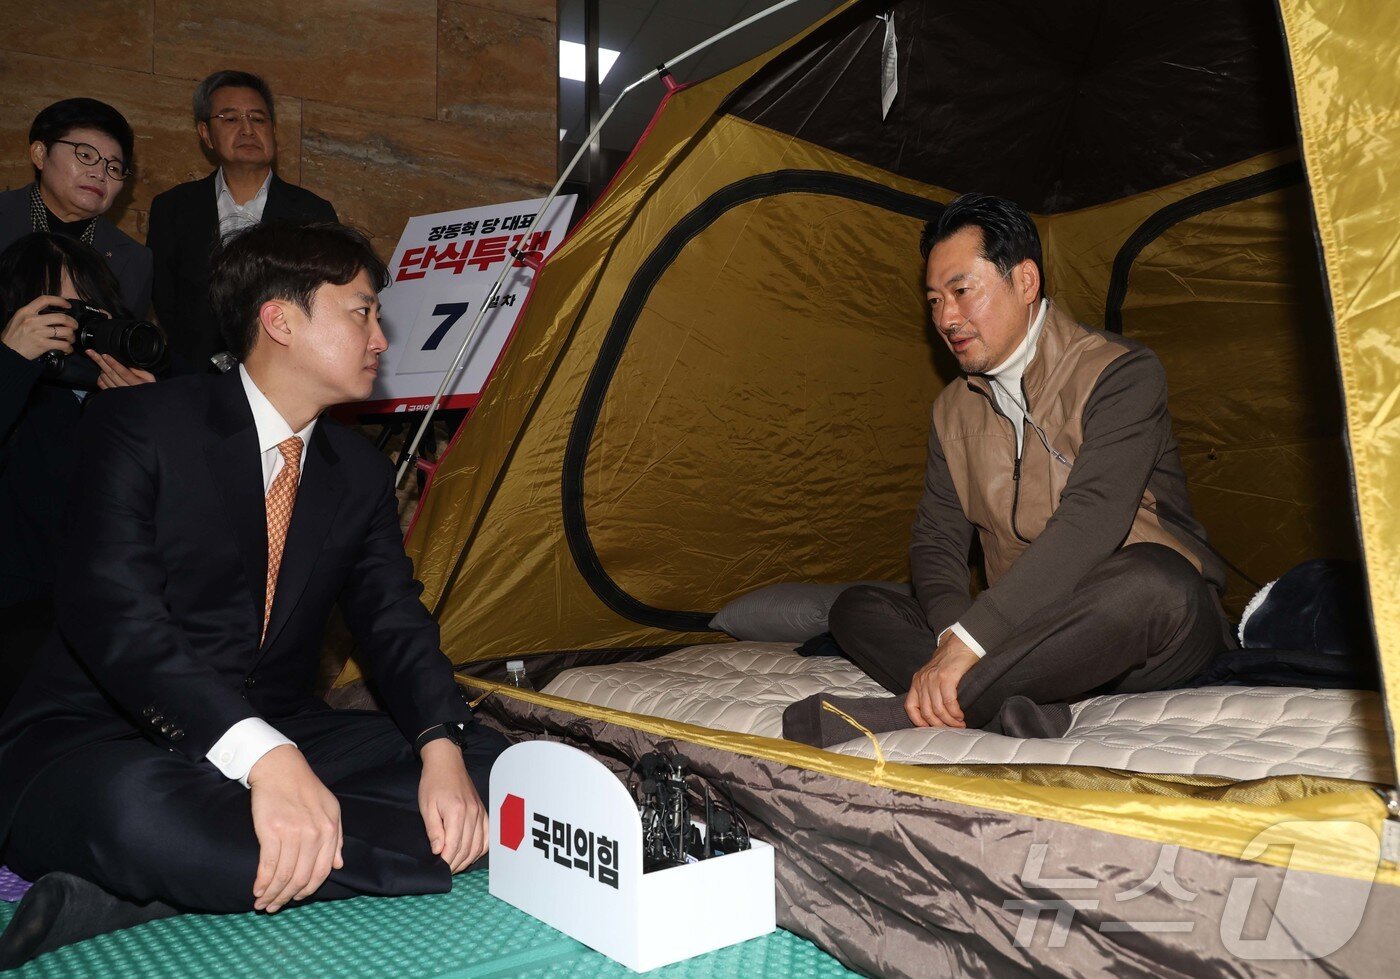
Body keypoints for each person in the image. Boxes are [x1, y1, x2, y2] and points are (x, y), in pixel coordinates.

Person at [0, 222, 505, 969]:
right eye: (362, 311)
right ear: (280, 319)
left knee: (493, 766)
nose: (381, 338)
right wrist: (265, 758)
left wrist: (438, 746)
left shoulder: (357, 474)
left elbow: (394, 619)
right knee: (143, 814)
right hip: (107, 733)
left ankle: (178, 880)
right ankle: (221, 851)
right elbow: (115, 619)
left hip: (281, 728)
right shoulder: (141, 424)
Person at [783, 194, 1231, 748]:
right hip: (1022, 634)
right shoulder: (952, 410)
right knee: (858, 606)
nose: (946, 318)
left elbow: (1093, 520)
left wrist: (972, 640)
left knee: (1156, 583)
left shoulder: (1120, 374)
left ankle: (910, 714)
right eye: (933, 300)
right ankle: (1010, 703)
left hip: (1135, 629)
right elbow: (936, 539)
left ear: (1025, 281)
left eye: (962, 291)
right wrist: (952, 634)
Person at [0, 233, 156, 714]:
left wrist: (146, 417)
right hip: (19, 617)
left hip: (112, 612)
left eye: (94, 308)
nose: (81, 324)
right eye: (63, 310)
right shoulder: (15, 385)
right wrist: (10, 362)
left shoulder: (120, 391)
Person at [147, 70, 338, 371]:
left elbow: (322, 302)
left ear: (273, 130)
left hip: (285, 377)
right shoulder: (173, 208)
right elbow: (166, 302)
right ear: (205, 134)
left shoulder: (313, 212)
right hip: (193, 379)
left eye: (258, 119)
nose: (247, 129)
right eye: (231, 118)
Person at [0, 99, 152, 318]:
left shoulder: (134, 260)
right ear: (40, 154)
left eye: (114, 167)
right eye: (85, 155)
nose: (99, 174)